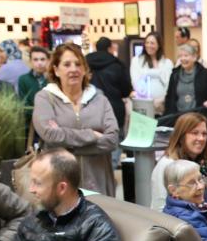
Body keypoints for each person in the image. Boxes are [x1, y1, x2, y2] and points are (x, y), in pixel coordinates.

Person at [33, 43, 120, 196]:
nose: (73, 69)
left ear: (85, 69)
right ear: (56, 70)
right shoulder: (45, 98)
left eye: (78, 64)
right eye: (66, 64)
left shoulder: (100, 98)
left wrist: (66, 145)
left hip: (97, 182)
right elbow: (50, 135)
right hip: (59, 183)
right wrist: (92, 135)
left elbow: (112, 139)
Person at [149, 111, 207, 211]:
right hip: (182, 223)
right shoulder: (166, 165)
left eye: (204, 134)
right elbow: (159, 208)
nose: (201, 138)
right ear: (181, 136)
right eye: (194, 133)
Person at [85, 36, 133, 132]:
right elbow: (126, 90)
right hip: (114, 110)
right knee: (115, 140)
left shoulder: (85, 63)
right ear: (109, 48)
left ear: (96, 48)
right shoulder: (117, 65)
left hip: (89, 109)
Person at [163, 42, 207, 122]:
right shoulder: (174, 74)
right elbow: (169, 98)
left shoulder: (205, 73)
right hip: (179, 118)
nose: (183, 58)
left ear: (194, 57)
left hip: (199, 117)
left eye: (186, 56)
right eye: (180, 56)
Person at [129, 32, 173, 116]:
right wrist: (147, 100)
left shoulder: (167, 62)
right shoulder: (136, 60)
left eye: (152, 43)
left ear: (159, 45)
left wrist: (161, 100)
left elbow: (169, 84)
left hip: (161, 106)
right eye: (147, 43)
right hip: (142, 106)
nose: (149, 45)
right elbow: (135, 81)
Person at [17, 45, 50, 124]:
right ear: (30, 62)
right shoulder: (23, 79)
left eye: (42, 59)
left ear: (48, 61)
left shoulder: (53, 79)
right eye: (35, 60)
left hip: (53, 123)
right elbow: (24, 104)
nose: (39, 63)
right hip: (31, 123)